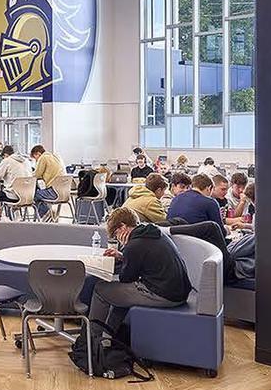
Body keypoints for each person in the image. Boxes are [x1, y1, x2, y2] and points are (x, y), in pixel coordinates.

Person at [83, 208, 192, 338]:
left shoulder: (134, 245)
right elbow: (147, 258)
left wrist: (126, 247)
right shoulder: (152, 232)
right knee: (118, 295)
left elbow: (126, 278)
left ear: (123, 227)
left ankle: (91, 338)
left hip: (165, 295)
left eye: (116, 233)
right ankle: (108, 337)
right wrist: (123, 255)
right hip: (179, 291)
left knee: (100, 289)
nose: (117, 238)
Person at [0, 144, 33, 209]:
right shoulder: (27, 161)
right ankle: (12, 216)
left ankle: (1, 218)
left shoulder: (7, 160)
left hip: (13, 195)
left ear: (5, 155)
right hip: (29, 196)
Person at [29, 144, 65, 219]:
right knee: (40, 195)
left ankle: (47, 214)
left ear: (38, 154)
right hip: (64, 192)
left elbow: (37, 174)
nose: (36, 160)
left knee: (33, 195)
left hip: (53, 192)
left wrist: (29, 174)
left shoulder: (43, 157)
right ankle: (46, 215)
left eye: (35, 158)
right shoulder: (54, 156)